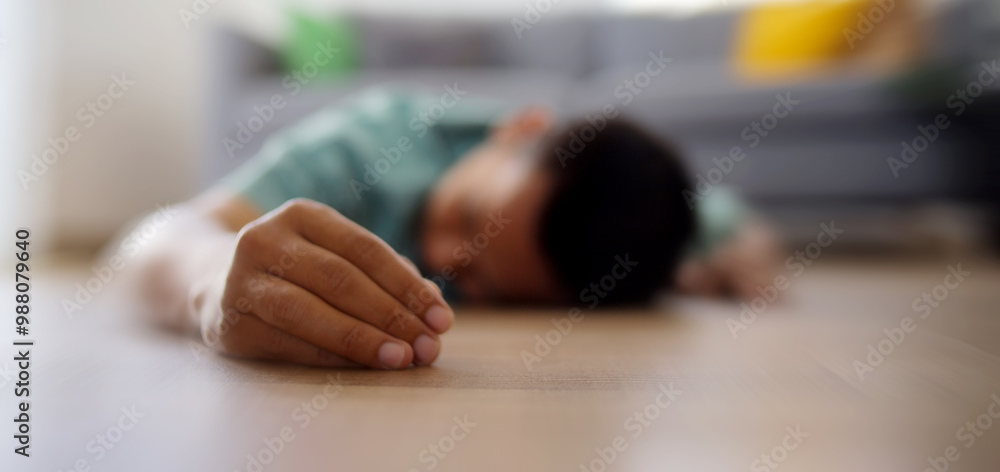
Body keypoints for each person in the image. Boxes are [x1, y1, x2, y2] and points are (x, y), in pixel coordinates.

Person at [116, 87, 780, 370]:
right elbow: (149, 239)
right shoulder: (363, 144)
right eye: (467, 216)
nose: (438, 255)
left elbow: (726, 218)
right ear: (520, 128)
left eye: (480, 279)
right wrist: (208, 283)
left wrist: (737, 251)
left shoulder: (633, 219)